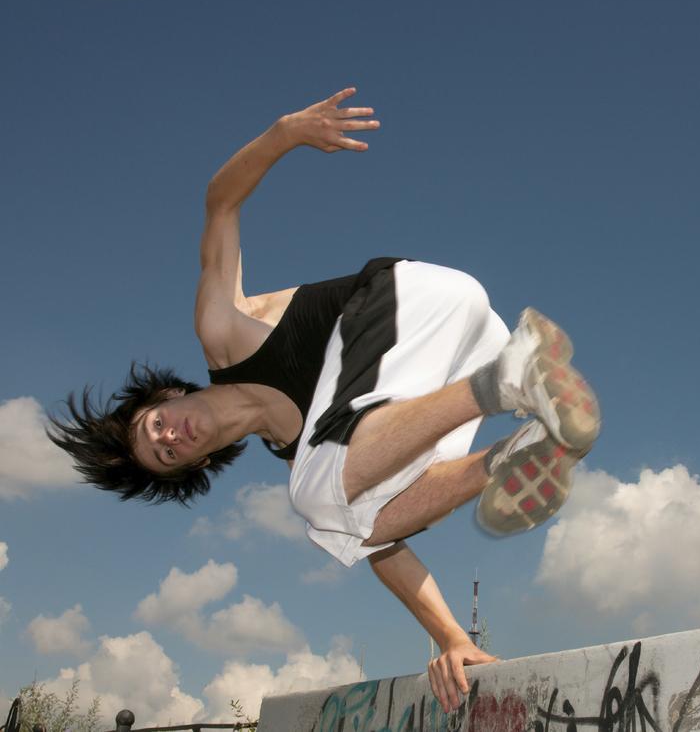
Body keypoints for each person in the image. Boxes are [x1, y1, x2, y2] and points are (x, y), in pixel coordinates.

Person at [47, 87, 600, 714]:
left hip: (420, 301)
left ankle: (507, 382)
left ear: (167, 396)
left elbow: (220, 203)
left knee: (317, 497)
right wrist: (449, 637)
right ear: (195, 465)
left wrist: (284, 134)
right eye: (166, 455)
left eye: (156, 426)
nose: (168, 438)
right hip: (464, 349)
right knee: (348, 522)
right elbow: (381, 549)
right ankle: (514, 453)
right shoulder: (302, 449)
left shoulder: (223, 330)